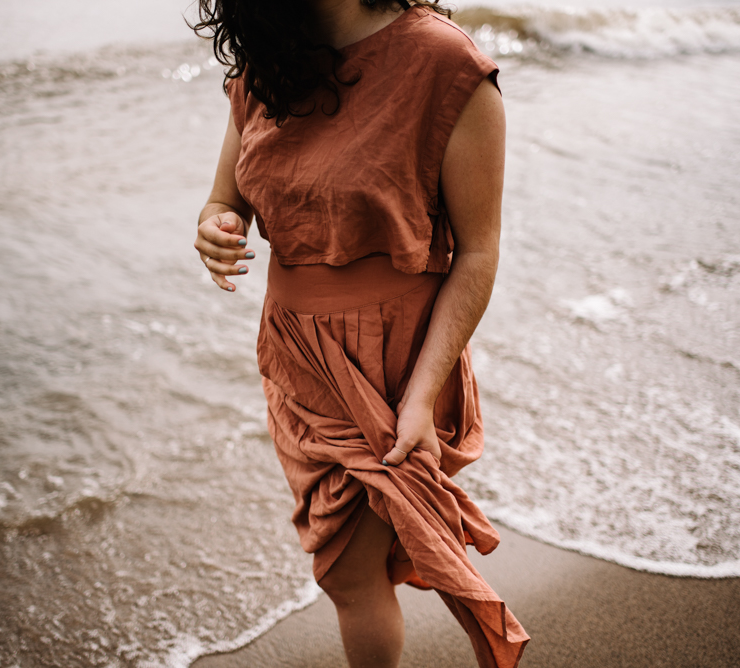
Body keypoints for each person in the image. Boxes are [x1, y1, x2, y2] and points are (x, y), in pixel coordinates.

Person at [192, 0, 528, 666]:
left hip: (391, 365)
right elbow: (224, 199)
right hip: (295, 359)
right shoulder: (267, 61)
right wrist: (215, 231)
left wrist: (421, 396)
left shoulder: (445, 62)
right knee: (346, 569)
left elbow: (479, 253)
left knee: (347, 571)